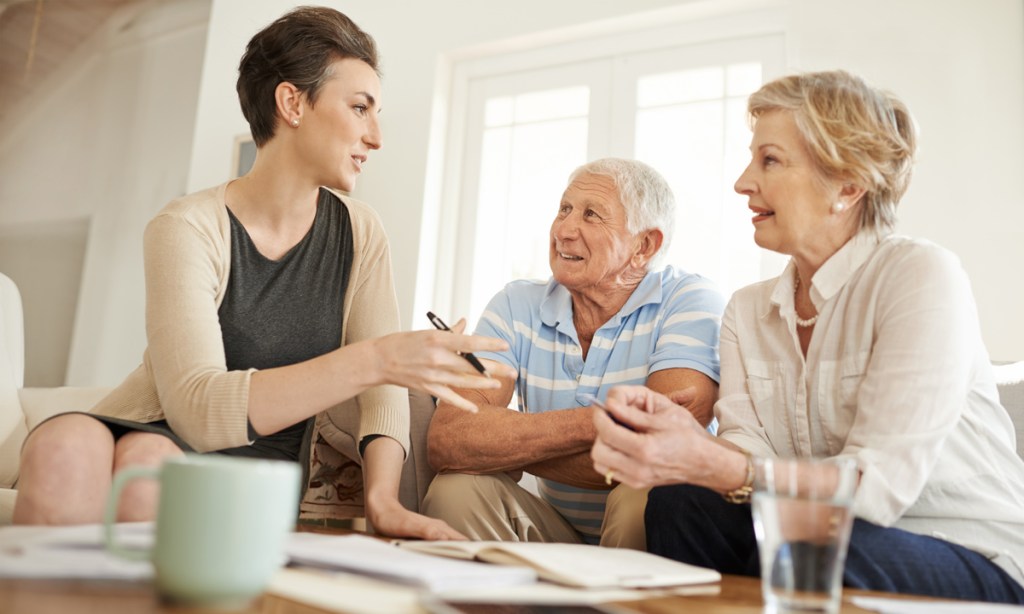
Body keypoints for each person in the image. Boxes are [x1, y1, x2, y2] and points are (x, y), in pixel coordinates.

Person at [12, 6, 515, 540]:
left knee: (149, 470)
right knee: (66, 443)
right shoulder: (185, 226)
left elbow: (382, 396)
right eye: (361, 108)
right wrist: (377, 358)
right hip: (161, 421)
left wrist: (382, 500)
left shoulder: (361, 232)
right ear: (292, 102)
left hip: (257, 464)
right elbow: (196, 410)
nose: (377, 136)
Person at [591, 70, 1024, 602]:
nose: (744, 182)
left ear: (847, 184)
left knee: (822, 548)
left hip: (967, 551)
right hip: (816, 535)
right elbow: (743, 459)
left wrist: (719, 463)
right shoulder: (747, 311)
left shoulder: (921, 276)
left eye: (769, 160)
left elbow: (877, 492)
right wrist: (684, 442)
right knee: (681, 504)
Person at [422, 158, 725, 548]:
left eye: (591, 215)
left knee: (642, 492)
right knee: (456, 488)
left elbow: (662, 450)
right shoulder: (517, 303)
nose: (564, 230)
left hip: (656, 526)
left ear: (644, 246)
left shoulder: (691, 300)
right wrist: (599, 423)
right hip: (553, 528)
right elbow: (450, 439)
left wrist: (504, 447)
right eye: (564, 209)